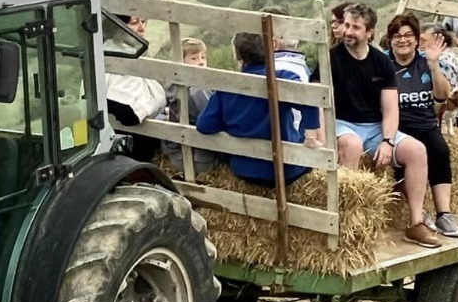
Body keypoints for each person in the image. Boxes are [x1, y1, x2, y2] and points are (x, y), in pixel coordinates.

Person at [330, 3, 440, 248]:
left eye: (355, 27)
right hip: (341, 123)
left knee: (417, 150)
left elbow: (391, 109)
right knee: (351, 144)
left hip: (374, 126)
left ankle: (415, 222)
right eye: (346, 25)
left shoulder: (381, 62)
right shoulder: (331, 59)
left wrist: (388, 141)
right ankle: (349, 224)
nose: (348, 31)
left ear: (369, 32)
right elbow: (317, 102)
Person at [196, 31, 320, 185]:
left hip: (244, 170)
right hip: (286, 170)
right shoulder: (283, 78)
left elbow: (204, 125)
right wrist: (309, 137)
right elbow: (309, 98)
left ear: (239, 56)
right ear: (270, 49)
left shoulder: (228, 85)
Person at [385, 13, 458, 237]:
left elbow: (443, 95)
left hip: (426, 123)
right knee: (405, 157)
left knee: (439, 150)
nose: (403, 40)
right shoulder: (383, 63)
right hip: (398, 125)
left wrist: (434, 65)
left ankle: (444, 214)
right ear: (390, 41)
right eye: (397, 36)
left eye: (408, 35)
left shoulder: (425, 60)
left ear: (417, 39)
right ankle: (419, 215)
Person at [105, 12, 168, 162]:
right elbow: (129, 115)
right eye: (134, 22)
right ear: (118, 26)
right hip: (129, 145)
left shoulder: (130, 51)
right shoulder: (119, 55)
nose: (142, 27)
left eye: (144, 21)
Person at [164, 37, 219, 176]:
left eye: (203, 57)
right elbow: (213, 119)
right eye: (194, 58)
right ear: (181, 63)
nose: (201, 62)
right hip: (199, 160)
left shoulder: (172, 85)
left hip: (175, 154)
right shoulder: (197, 90)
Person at [420, 22, 458, 98]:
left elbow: (444, 94)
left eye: (423, 40)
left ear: (439, 40)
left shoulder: (444, 61)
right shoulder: (449, 56)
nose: (418, 44)